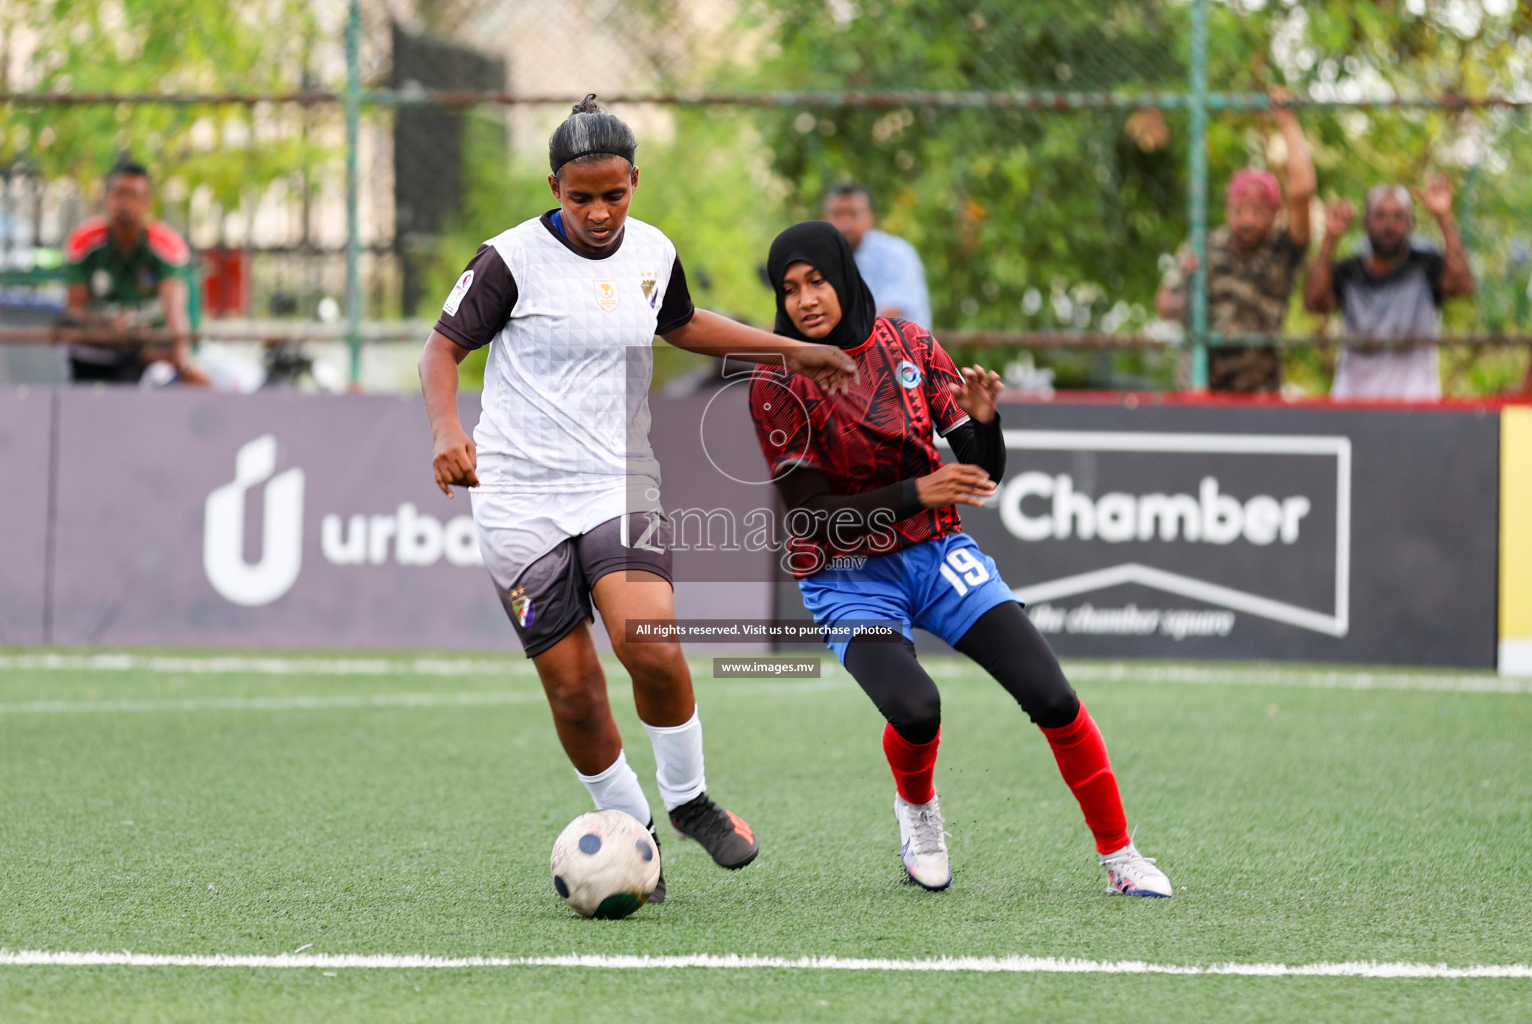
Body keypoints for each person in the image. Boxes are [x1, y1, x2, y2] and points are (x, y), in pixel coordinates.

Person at [417, 95, 857, 901]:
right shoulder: (508, 260)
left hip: (617, 478)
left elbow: (683, 324)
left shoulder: (652, 250)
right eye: (578, 196)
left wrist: (791, 350)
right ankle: (632, 832)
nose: (596, 211)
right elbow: (442, 349)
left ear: (634, 183)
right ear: (554, 186)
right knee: (576, 691)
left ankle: (688, 802)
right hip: (517, 496)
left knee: (648, 641)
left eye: (612, 194)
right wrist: (448, 429)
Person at [748, 220, 1172, 897]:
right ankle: (917, 814)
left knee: (1053, 696)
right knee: (917, 708)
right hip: (845, 571)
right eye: (789, 289)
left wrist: (984, 424)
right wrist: (921, 488)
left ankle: (1122, 858)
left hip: (939, 551)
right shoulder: (778, 381)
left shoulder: (909, 344)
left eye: (817, 281)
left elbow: (982, 472)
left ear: (845, 278)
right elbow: (809, 514)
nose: (804, 300)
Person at [1156, 88, 1315, 393]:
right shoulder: (1204, 245)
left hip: (1259, 389)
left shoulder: (1284, 248)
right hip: (1202, 386)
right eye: (1239, 209)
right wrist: (1187, 289)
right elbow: (1165, 304)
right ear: (1227, 208)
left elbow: (1302, 192)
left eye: (1258, 210)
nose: (1247, 220)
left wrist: (1287, 121)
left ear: (1274, 213)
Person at [1302, 177, 1474, 400]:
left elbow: (1462, 285)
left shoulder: (1425, 266)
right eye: (1380, 215)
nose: (1389, 224)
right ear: (1366, 223)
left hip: (1415, 405)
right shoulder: (1349, 271)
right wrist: (1330, 238)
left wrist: (1443, 217)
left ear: (1411, 223)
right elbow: (1314, 303)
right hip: (1352, 404)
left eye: (1399, 216)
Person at [62, 160, 207, 385]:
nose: (125, 203)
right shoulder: (85, 241)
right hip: (98, 355)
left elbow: (176, 314)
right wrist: (106, 326)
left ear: (148, 202)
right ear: (106, 198)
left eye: (134, 195)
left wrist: (185, 362)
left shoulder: (166, 246)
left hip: (149, 355)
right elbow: (74, 309)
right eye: (118, 194)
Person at [823, 183, 933, 330]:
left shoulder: (896, 253)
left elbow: (887, 318)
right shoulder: (825, 258)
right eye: (836, 215)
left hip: (899, 350)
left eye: (853, 214)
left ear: (872, 218)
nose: (844, 224)